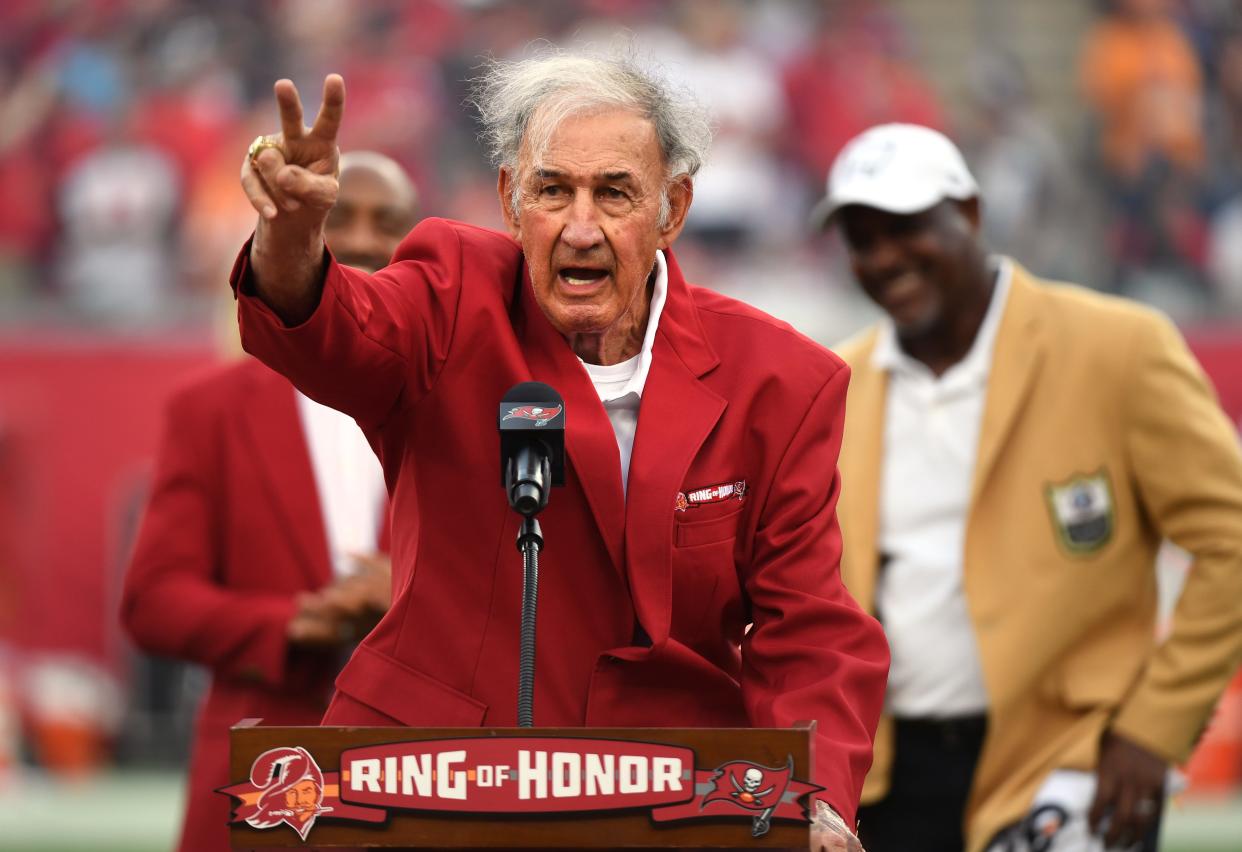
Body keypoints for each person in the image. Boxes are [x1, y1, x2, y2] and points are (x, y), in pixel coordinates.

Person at [232, 51, 889, 851]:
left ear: (672, 209)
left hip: (669, 798)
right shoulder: (452, 293)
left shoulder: (781, 381)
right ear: (510, 201)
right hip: (432, 782)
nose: (581, 227)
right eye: (553, 190)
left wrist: (816, 801)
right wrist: (291, 240)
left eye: (614, 193)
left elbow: (810, 628)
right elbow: (336, 329)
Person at [815, 123, 1242, 852]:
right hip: (884, 777)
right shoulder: (833, 385)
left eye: (907, 228)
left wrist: (1154, 729)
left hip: (1068, 763)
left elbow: (1231, 542)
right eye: (862, 238)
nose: (885, 257)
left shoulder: (1118, 348)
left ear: (971, 214)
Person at [120, 151, 419, 852]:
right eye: (340, 217)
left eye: (391, 223)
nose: (367, 241)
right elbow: (152, 601)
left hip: (415, 776)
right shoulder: (212, 412)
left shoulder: (465, 404)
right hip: (260, 771)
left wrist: (405, 591)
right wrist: (293, 623)